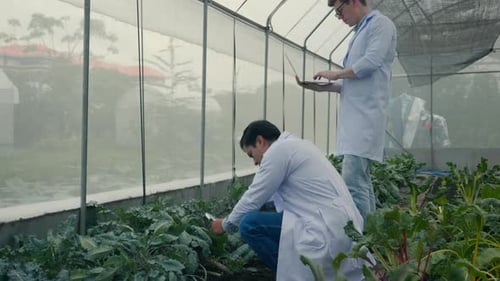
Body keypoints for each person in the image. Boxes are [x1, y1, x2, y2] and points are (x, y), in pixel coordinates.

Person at [211, 120, 366, 280]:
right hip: (343, 228)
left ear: (260, 141)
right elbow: (268, 200)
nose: (255, 162)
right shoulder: (297, 146)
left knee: (249, 225)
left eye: (251, 154)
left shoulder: (278, 152)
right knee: (263, 215)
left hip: (326, 231)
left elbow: (253, 198)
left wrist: (225, 224)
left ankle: (290, 275)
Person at [296, 0, 397, 221]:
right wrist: (325, 87)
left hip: (366, 117)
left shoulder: (381, 24)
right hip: (356, 118)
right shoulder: (360, 32)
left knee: (353, 181)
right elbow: (355, 83)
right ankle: (371, 236)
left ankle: (361, 241)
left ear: (352, 1)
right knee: (361, 180)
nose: (340, 18)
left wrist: (337, 73)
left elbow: (371, 62)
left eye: (340, 11)